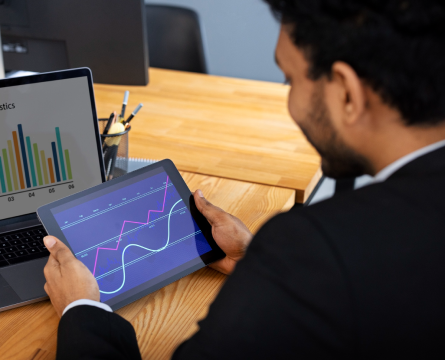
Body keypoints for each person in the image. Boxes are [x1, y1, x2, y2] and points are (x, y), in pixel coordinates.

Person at [42, 1, 445, 358]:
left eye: (290, 80)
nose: (291, 101)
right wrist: (256, 263)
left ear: (347, 93)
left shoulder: (315, 250)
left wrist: (82, 311)